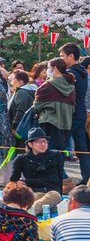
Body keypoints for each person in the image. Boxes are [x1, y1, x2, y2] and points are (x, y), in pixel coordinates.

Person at [10, 127, 64, 214]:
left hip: (50, 192)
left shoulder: (56, 155)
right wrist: (19, 185)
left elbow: (60, 177)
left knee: (54, 196)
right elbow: (13, 180)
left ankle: (25, 213)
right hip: (30, 193)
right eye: (39, 142)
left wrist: (60, 195)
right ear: (30, 144)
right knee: (6, 201)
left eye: (45, 141)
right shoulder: (21, 159)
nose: (43, 144)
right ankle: (19, 210)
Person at [60, 43, 90, 181]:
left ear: (71, 56)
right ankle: (86, 178)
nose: (61, 59)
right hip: (81, 112)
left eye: (62, 56)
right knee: (82, 149)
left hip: (70, 113)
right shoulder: (84, 73)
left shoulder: (70, 73)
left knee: (59, 146)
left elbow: (63, 93)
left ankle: (60, 178)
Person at [33, 57, 76, 153]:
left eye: (49, 67)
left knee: (47, 153)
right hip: (66, 123)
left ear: (55, 69)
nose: (47, 70)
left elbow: (36, 106)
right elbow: (73, 107)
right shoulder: (71, 86)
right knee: (60, 153)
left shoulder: (47, 86)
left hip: (49, 123)